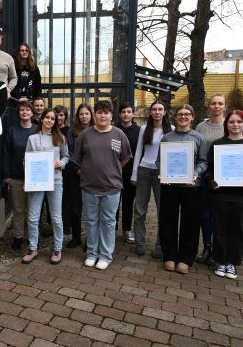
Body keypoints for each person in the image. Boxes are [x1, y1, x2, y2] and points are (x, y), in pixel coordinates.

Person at [73, 100, 131, 270]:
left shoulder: (119, 135)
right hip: (89, 186)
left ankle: (105, 255)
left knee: (108, 221)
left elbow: (126, 157)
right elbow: (78, 158)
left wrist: (113, 169)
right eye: (99, 112)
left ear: (111, 116)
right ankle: (92, 253)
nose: (102, 116)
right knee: (91, 221)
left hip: (112, 187)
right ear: (95, 115)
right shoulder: (85, 134)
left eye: (106, 113)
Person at [207, 110, 243, 279]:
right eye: (231, 122)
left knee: (238, 230)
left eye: (239, 122)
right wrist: (211, 181)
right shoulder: (217, 144)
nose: (235, 125)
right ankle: (220, 261)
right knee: (220, 229)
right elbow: (209, 169)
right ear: (226, 125)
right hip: (220, 194)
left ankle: (232, 263)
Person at [158, 104, 208, 274]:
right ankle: (169, 256)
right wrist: (162, 173)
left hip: (191, 186)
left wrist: (194, 173)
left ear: (192, 117)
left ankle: (186, 258)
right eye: (180, 114)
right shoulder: (167, 138)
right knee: (167, 221)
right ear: (175, 117)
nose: (183, 117)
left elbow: (203, 162)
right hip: (169, 185)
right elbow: (159, 161)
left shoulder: (198, 138)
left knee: (190, 222)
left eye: (187, 114)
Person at [22, 108, 69, 265]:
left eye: (52, 119)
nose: (49, 120)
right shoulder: (32, 139)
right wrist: (28, 173)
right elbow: (26, 160)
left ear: (55, 122)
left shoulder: (60, 137)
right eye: (47, 117)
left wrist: (61, 163)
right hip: (37, 181)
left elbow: (66, 156)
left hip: (55, 180)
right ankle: (33, 248)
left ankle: (57, 248)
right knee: (33, 216)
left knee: (56, 217)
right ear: (41, 119)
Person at [131, 100, 173, 257]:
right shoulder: (144, 129)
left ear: (164, 112)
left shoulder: (171, 130)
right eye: (154, 109)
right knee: (140, 209)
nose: (157, 112)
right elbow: (138, 152)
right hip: (144, 171)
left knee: (163, 211)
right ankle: (140, 243)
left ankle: (160, 245)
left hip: (161, 174)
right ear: (150, 112)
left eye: (160, 109)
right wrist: (134, 174)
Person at [195, 94, 227, 264]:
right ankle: (207, 246)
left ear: (224, 106)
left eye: (220, 103)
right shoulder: (201, 127)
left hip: (225, 177)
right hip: (204, 176)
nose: (216, 106)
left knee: (220, 215)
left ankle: (218, 249)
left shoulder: (230, 125)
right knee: (205, 214)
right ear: (209, 106)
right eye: (213, 103)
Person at [3, 101, 38, 250]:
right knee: (18, 210)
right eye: (22, 110)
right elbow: (6, 154)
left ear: (32, 113)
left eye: (27, 110)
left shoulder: (38, 130)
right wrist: (7, 175)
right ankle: (18, 237)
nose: (24, 112)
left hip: (35, 178)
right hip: (16, 176)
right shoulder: (12, 131)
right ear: (18, 113)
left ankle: (33, 238)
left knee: (33, 210)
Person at [64, 103, 94, 248]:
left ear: (91, 115)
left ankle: (90, 239)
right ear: (78, 116)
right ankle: (76, 238)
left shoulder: (97, 130)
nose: (84, 116)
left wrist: (88, 169)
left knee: (91, 209)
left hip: (93, 175)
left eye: (87, 113)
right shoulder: (71, 132)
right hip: (75, 174)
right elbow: (69, 153)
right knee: (75, 208)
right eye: (81, 114)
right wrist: (78, 169)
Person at [115, 102, 140, 243]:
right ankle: (112, 229)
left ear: (133, 114)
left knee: (128, 203)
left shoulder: (138, 131)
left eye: (129, 112)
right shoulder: (114, 129)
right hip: (115, 172)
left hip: (131, 173)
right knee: (114, 203)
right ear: (119, 114)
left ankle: (126, 230)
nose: (126, 114)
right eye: (123, 112)